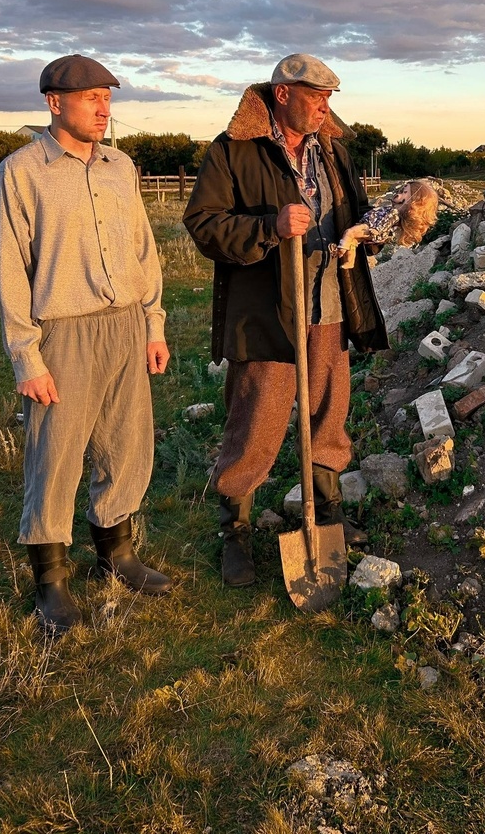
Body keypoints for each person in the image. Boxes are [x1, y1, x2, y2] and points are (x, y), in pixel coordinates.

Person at [183, 53, 389, 587]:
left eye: (328, 99)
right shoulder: (233, 150)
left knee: (328, 413)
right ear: (282, 94)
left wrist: (374, 229)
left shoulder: (333, 150)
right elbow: (203, 224)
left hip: (330, 305)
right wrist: (269, 227)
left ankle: (327, 515)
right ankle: (235, 532)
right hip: (268, 312)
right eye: (315, 97)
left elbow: (354, 212)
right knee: (256, 419)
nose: (324, 108)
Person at [0, 54, 172, 635]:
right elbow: (10, 270)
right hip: (63, 329)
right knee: (56, 454)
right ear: (54, 102)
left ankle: (117, 553)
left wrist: (153, 324)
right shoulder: (21, 172)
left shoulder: (122, 167)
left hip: (125, 325)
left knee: (127, 445)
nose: (103, 109)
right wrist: (27, 356)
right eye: (91, 97)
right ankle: (51, 581)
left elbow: (143, 249)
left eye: (107, 98)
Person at [333, 178, 439, 268]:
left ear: (413, 203)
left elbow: (385, 223)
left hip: (372, 228)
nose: (398, 194)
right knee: (353, 243)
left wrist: (376, 230)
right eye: (400, 191)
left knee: (350, 233)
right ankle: (349, 262)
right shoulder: (391, 210)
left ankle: (341, 250)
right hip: (370, 226)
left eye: (404, 192)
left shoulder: (394, 214)